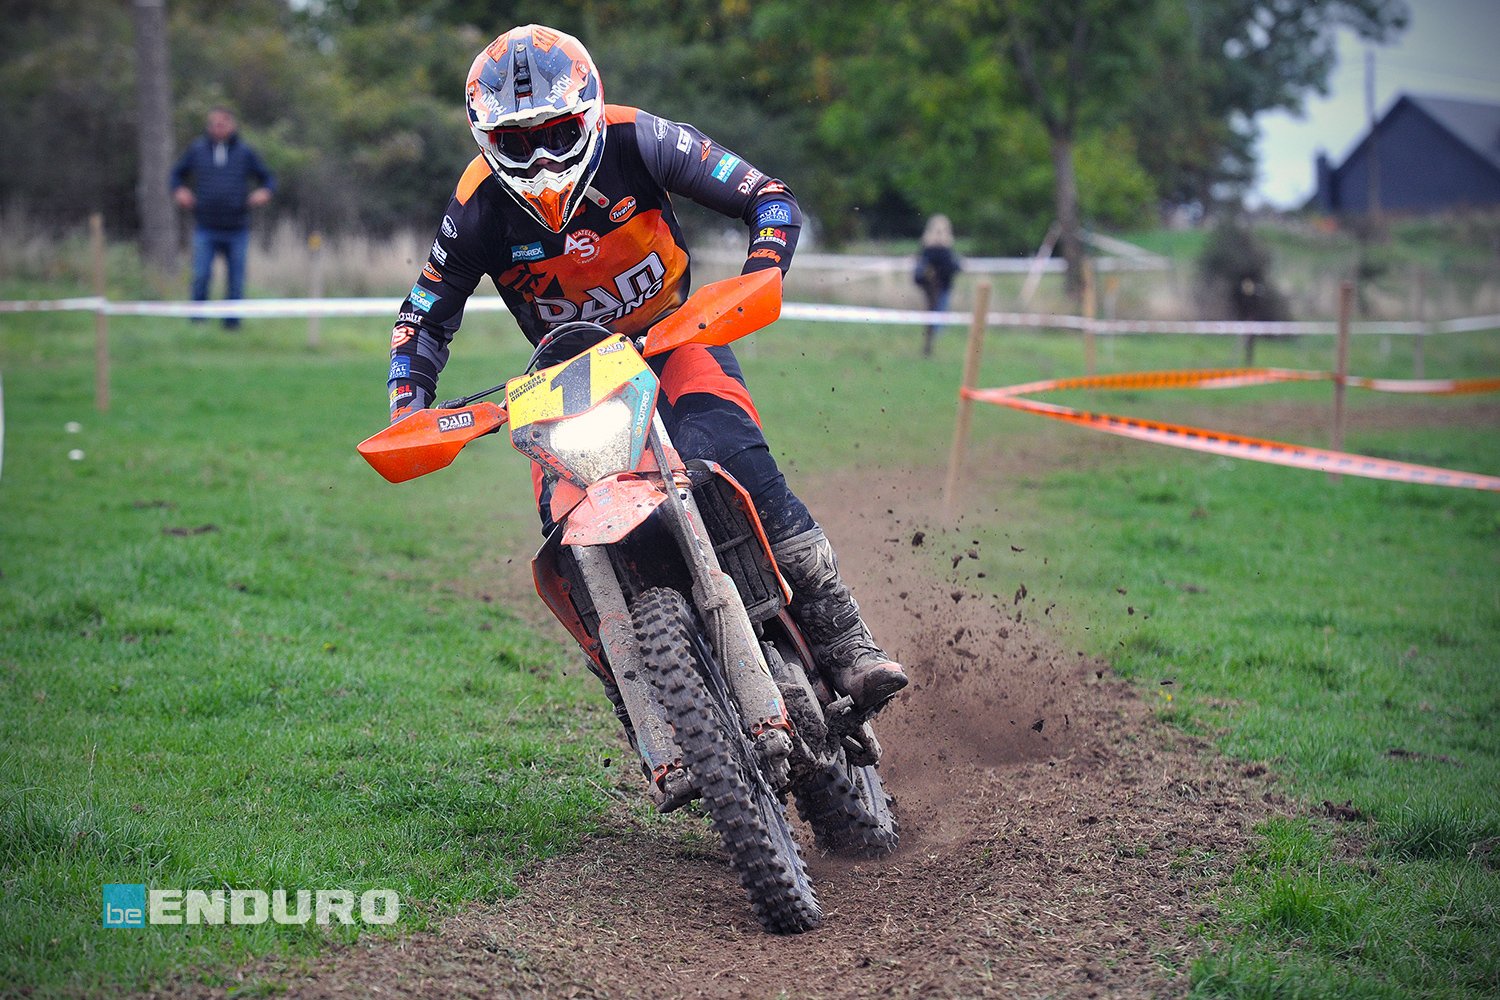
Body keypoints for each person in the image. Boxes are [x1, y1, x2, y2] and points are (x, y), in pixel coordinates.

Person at [386, 24, 908, 715]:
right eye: (516, 142)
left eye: (557, 133)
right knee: (562, 523)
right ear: (486, 139)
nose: (539, 158)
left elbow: (770, 197)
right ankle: (636, 695)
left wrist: (761, 271)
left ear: (590, 114)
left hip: (675, 337)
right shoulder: (477, 202)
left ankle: (846, 640)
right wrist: (409, 408)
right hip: (569, 376)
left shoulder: (641, 138)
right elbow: (423, 315)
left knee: (731, 456)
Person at [170, 107, 275, 329]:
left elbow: (268, 179)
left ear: (231, 125)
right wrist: (179, 190)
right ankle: (198, 323)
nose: (218, 128)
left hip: (237, 228)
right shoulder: (197, 150)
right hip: (205, 227)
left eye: (223, 123)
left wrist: (264, 192)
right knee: (201, 276)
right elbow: (176, 175)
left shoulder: (245, 152)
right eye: (214, 124)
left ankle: (232, 325)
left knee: (236, 280)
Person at [914, 214, 961, 357]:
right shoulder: (928, 251)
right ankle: (929, 346)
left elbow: (952, 268)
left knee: (939, 317)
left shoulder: (946, 252)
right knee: (933, 318)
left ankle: (931, 345)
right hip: (930, 289)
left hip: (944, 288)